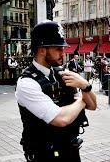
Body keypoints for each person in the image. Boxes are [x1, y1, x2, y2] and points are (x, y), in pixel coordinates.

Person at [15, 20, 97, 162]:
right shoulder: (27, 83)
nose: (63, 53)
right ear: (42, 49)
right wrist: (80, 100)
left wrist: (85, 85)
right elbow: (61, 119)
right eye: (58, 49)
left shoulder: (62, 73)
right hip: (44, 154)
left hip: (70, 149)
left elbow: (93, 105)